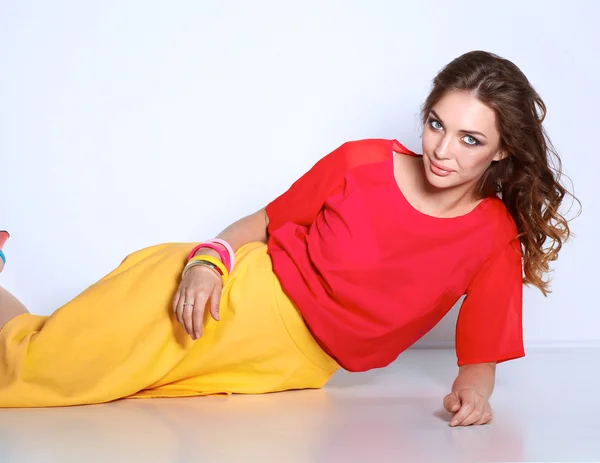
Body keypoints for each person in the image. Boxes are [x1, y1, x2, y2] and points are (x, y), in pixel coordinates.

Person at [0, 50, 577, 426]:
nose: (443, 150)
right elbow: (260, 224)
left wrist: (475, 398)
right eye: (436, 124)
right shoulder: (361, 163)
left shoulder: (494, 236)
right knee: (34, 370)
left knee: (68, 379)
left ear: (503, 149)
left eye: (470, 139)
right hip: (221, 297)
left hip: (287, 370)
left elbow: (479, 356)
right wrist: (206, 262)